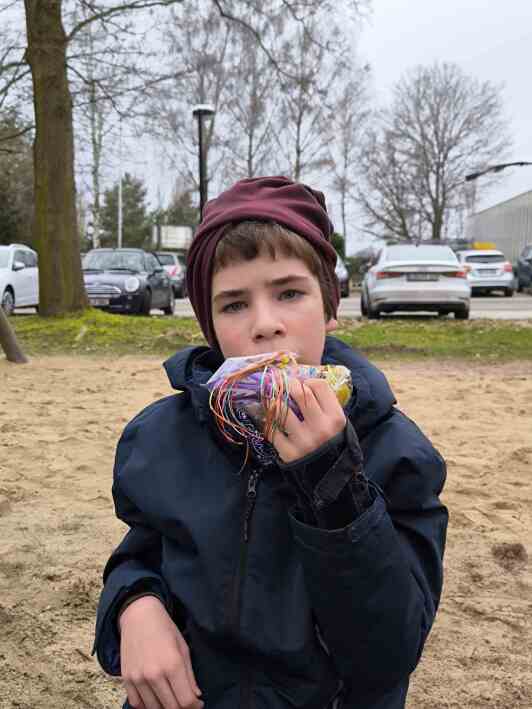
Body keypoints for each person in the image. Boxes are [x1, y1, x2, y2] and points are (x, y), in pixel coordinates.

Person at [93, 176, 448, 709]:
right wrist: (134, 606)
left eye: (289, 293)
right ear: (210, 328)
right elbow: (138, 555)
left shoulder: (396, 453)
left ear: (329, 305)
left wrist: (332, 481)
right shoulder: (162, 437)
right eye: (233, 305)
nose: (265, 325)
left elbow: (387, 653)